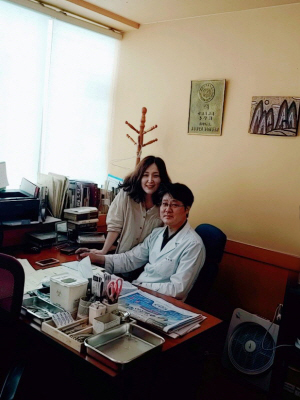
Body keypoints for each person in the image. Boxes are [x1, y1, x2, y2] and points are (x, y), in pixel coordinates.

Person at [76, 183, 205, 300]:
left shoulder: (193, 244)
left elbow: (178, 289)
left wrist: (140, 286)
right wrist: (99, 258)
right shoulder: (157, 233)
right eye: (165, 204)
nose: (167, 209)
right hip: (140, 292)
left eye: (175, 205)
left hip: (162, 300)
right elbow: (131, 258)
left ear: (187, 209)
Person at [83, 156, 171, 257]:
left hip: (148, 260)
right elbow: (115, 224)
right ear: (139, 176)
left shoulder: (166, 203)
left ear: (162, 178)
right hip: (122, 257)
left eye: (156, 176)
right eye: (145, 175)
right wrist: (104, 250)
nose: (150, 180)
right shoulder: (126, 194)